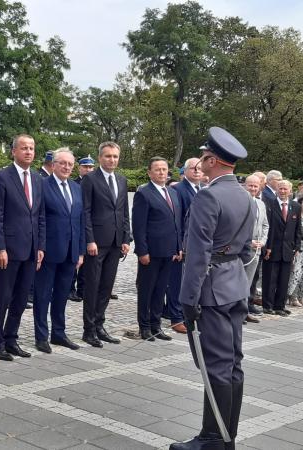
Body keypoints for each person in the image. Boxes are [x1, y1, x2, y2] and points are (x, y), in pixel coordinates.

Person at [170, 127, 255, 450]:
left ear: (213, 160)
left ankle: (215, 439)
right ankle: (222, 434)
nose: (201, 162)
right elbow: (245, 250)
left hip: (211, 291)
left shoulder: (208, 195)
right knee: (232, 365)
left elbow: (197, 252)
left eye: (204, 157)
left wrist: (187, 300)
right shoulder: (245, 196)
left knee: (216, 368)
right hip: (234, 286)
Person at [0, 134, 45, 361]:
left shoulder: (38, 179)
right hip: (9, 250)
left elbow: (40, 215)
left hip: (31, 249)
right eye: (24, 148)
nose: (29, 152)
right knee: (3, 297)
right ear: (13, 151)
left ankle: (11, 339)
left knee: (21, 298)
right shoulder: (2, 177)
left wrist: (41, 246)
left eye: (31, 148)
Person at [33, 148, 85, 353]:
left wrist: (80, 251)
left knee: (62, 294)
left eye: (70, 164)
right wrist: (40, 247)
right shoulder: (43, 185)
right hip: (49, 251)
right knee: (43, 294)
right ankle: (41, 335)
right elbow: (38, 219)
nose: (66, 167)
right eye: (62, 163)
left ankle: (59, 333)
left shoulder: (76, 187)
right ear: (53, 165)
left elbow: (81, 219)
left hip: (71, 251)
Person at [81, 142, 130, 347]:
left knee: (106, 286)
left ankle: (100, 324)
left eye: (115, 157)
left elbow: (124, 211)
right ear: (100, 158)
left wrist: (126, 238)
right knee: (92, 286)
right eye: (108, 156)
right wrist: (89, 239)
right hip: (97, 242)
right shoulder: (90, 179)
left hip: (116, 242)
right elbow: (85, 212)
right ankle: (89, 329)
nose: (112, 160)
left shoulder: (121, 180)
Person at [132, 157, 181, 342]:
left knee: (161, 290)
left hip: (169, 252)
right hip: (151, 253)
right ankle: (144, 327)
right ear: (150, 172)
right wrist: (142, 251)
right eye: (157, 169)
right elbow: (139, 226)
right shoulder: (144, 194)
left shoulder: (173, 193)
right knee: (147, 290)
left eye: (164, 169)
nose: (162, 172)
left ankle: (156, 325)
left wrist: (178, 247)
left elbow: (177, 223)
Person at [166, 157, 202, 334]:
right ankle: (176, 317)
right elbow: (177, 220)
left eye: (199, 168)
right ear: (185, 171)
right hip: (182, 244)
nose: (196, 171)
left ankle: (189, 314)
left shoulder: (202, 189)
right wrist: (178, 245)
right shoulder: (178, 189)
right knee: (176, 282)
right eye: (193, 168)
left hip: (197, 244)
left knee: (192, 282)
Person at [262, 179, 302, 316]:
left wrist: (296, 246)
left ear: (290, 191)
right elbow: (266, 228)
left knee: (283, 279)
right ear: (277, 190)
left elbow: (297, 229)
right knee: (270, 279)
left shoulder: (295, 206)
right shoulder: (269, 204)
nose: (283, 191)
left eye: (285, 189)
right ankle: (267, 306)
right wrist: (266, 247)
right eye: (280, 188)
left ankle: (280, 306)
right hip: (272, 248)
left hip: (288, 249)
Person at [68, 154, 95, 302]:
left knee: (86, 262)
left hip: (89, 227)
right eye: (85, 167)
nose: (88, 169)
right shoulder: (74, 183)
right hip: (76, 226)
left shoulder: (95, 183)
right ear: (79, 168)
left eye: (91, 167)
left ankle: (83, 289)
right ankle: (70, 289)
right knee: (73, 260)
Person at [243, 175, 269, 323]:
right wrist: (248, 241)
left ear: (260, 187)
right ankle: (234, 312)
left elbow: (265, 225)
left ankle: (244, 310)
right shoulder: (240, 202)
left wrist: (262, 242)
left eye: (256, 186)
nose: (253, 188)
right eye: (250, 185)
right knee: (238, 282)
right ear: (245, 185)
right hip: (242, 249)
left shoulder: (261, 204)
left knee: (248, 282)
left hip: (256, 250)